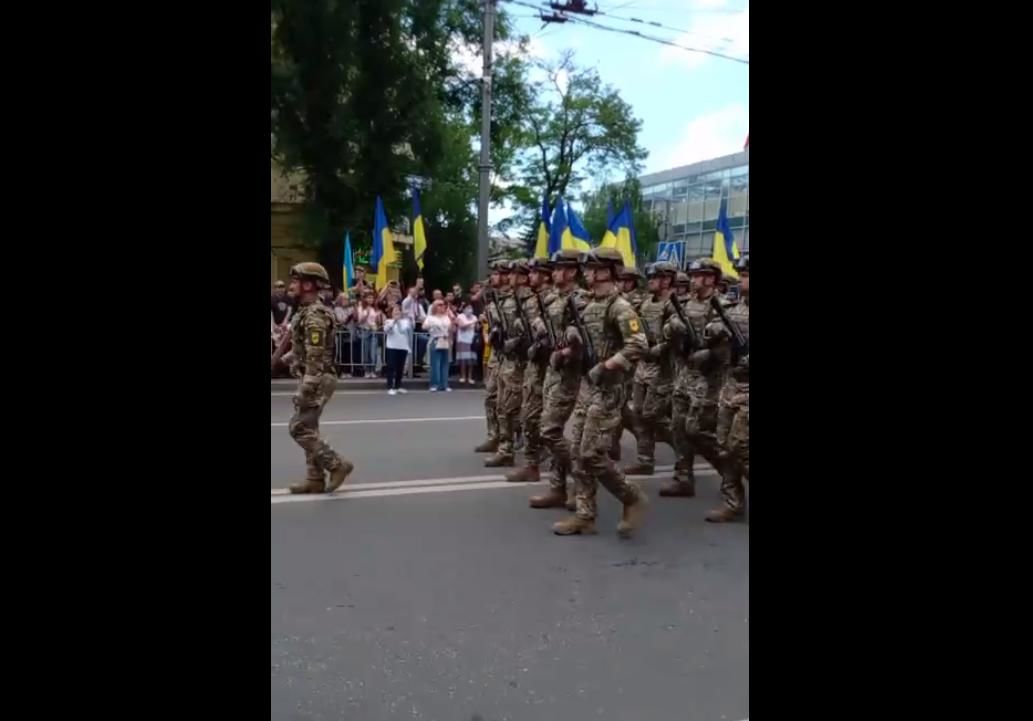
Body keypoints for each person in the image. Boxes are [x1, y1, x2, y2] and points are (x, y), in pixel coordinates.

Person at [552, 248, 648, 539]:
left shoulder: (620, 307)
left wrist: (607, 365)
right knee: (580, 454)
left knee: (592, 454)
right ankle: (585, 515)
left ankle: (631, 497)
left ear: (611, 271)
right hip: (587, 387)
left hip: (609, 390)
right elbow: (582, 341)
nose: (590, 273)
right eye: (589, 268)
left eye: (596, 268)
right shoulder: (588, 305)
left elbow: (638, 344)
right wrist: (568, 350)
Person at [285, 263, 354, 494]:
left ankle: (337, 465)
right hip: (312, 374)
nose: (290, 285)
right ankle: (314, 479)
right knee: (310, 428)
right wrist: (290, 357)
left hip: (318, 378)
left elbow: (315, 354)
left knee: (299, 428)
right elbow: (306, 347)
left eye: (295, 281)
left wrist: (307, 386)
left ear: (307, 284)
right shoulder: (306, 311)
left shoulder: (314, 314)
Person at [528, 250, 585, 508]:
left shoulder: (581, 299)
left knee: (549, 431)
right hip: (553, 370)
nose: (554, 273)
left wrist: (568, 350)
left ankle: (581, 479)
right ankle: (557, 488)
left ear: (572, 271)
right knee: (552, 430)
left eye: (560, 268)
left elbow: (587, 338)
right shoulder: (552, 299)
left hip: (570, 373)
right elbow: (547, 326)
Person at [623, 261, 678, 476]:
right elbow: (634, 323)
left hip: (662, 369)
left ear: (667, 280)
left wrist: (659, 349)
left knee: (652, 414)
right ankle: (645, 460)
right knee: (638, 414)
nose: (651, 281)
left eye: (656, 277)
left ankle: (683, 451)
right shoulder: (645, 304)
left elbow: (678, 339)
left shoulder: (673, 306)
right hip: (643, 365)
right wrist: (636, 339)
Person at [505, 257, 553, 483]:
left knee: (548, 421)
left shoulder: (546, 301)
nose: (531, 276)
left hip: (551, 367)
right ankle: (532, 464)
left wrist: (538, 342)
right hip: (535, 365)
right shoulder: (530, 301)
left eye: (535, 273)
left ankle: (562, 468)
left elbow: (551, 334)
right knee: (530, 417)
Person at [709, 254, 749, 522]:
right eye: (743, 274)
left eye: (747, 275)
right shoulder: (734, 309)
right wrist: (714, 330)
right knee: (723, 446)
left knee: (740, 446)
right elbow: (713, 329)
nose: (743, 280)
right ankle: (733, 501)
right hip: (731, 386)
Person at [484, 260, 531, 468]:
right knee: (498, 402)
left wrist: (518, 342)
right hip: (503, 358)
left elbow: (530, 332)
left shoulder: (525, 301)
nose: (494, 277)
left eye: (500, 273)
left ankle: (526, 446)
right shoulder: (500, 299)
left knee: (517, 408)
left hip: (520, 362)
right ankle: (502, 443)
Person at [475, 263, 507, 453]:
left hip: (513, 358)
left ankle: (509, 441)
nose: (493, 277)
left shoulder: (515, 299)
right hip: (497, 354)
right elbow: (477, 297)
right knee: (491, 397)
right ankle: (494, 436)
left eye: (497, 274)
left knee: (509, 404)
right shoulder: (494, 298)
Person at [422, 299, 453, 392]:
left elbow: (450, 329)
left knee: (445, 363)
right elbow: (424, 327)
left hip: (445, 340)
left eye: (443, 304)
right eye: (439, 305)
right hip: (435, 340)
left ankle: (444, 384)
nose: (442, 306)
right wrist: (432, 325)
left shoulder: (446, 317)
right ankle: (434, 384)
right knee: (435, 363)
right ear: (435, 307)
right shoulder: (430, 317)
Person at [383, 305, 413, 395]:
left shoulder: (405, 322)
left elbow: (403, 331)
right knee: (391, 367)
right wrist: (394, 321)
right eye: (395, 311)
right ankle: (390, 387)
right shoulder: (388, 321)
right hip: (392, 347)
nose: (397, 313)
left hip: (403, 347)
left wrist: (398, 322)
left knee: (400, 368)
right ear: (391, 313)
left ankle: (398, 386)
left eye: (398, 311)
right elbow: (387, 331)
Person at [354, 290, 383, 378]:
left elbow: (377, 322)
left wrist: (378, 318)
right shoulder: (361, 308)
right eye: (369, 298)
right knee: (366, 352)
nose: (371, 300)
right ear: (365, 299)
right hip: (365, 331)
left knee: (373, 352)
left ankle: (373, 370)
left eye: (372, 298)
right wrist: (366, 313)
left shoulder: (375, 308)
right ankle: (367, 370)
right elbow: (359, 321)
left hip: (373, 331)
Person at [454, 304, 479, 384]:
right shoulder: (460, 316)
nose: (470, 309)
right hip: (462, 340)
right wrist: (473, 322)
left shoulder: (474, 317)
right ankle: (463, 376)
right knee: (463, 359)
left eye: (471, 308)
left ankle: (470, 377)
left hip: (471, 340)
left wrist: (479, 322)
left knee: (471, 359)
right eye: (468, 308)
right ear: (464, 309)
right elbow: (462, 326)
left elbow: (477, 328)